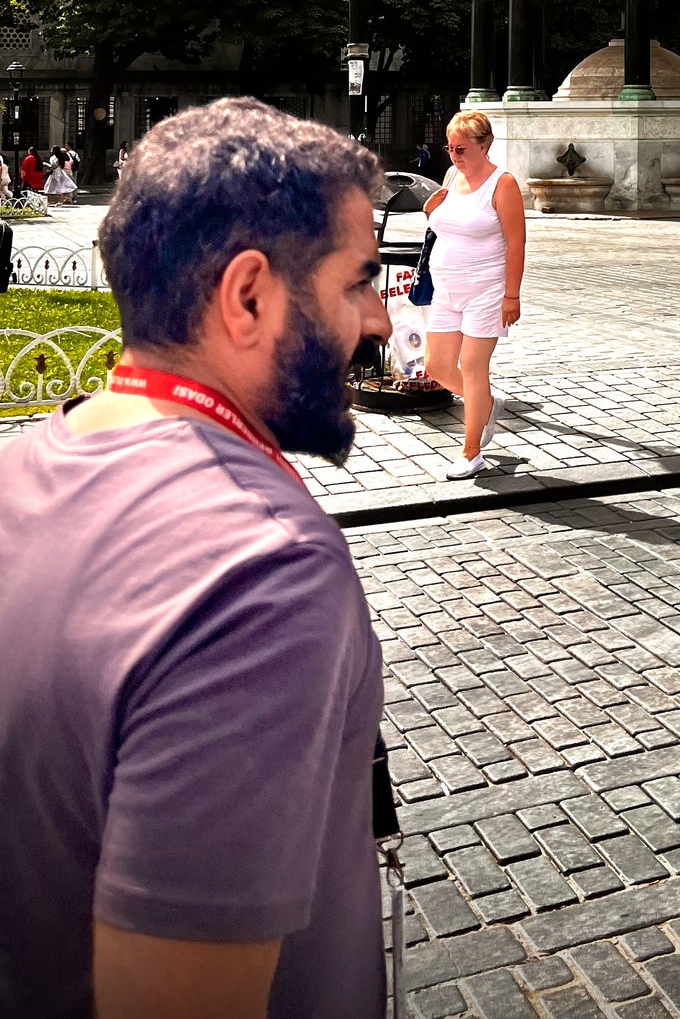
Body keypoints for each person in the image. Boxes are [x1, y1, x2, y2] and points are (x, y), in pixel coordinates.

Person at [0, 98, 392, 1019]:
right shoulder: (259, 575)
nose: (376, 319)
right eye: (357, 281)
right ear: (248, 296)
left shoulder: (18, 468)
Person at [424, 108, 526, 480]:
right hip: (445, 289)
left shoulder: (503, 184)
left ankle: (471, 452)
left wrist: (511, 296)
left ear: (485, 145)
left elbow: (516, 244)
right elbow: (445, 222)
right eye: (450, 148)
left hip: (486, 289)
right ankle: (484, 404)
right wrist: (428, 208)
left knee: (471, 366)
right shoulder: (452, 176)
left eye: (462, 148)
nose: (454, 155)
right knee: (435, 366)